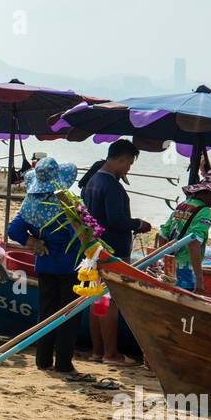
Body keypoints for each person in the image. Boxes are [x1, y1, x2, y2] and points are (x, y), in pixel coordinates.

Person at [6, 157, 84, 372]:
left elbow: (14, 230)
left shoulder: (31, 203)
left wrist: (34, 242)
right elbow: (79, 234)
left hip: (45, 263)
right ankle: (63, 363)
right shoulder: (67, 202)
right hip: (70, 265)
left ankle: (43, 360)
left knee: (47, 312)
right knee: (68, 314)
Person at [82, 140, 150, 364]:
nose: (129, 168)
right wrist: (139, 224)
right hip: (112, 251)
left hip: (95, 248)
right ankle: (111, 353)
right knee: (109, 301)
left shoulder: (93, 180)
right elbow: (116, 220)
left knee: (97, 299)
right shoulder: (110, 185)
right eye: (129, 163)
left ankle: (97, 351)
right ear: (121, 159)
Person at [156, 169, 211, 291]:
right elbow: (194, 242)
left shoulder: (183, 205)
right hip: (186, 268)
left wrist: (164, 262)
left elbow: (163, 234)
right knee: (184, 301)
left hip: (170, 265)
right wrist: (199, 278)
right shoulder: (205, 211)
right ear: (210, 193)